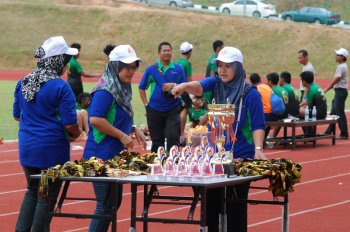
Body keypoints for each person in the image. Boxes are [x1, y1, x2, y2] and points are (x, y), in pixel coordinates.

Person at [172, 46, 266, 232]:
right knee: (211, 206)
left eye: (227, 66)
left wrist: (258, 148)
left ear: (238, 67)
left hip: (240, 157)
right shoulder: (216, 85)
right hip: (214, 158)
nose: (222, 70)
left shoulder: (251, 94)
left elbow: (258, 125)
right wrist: (183, 86)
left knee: (235, 207)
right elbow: (199, 86)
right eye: (219, 65)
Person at [13, 36, 81, 232]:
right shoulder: (61, 86)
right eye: (65, 61)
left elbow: (17, 116)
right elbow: (70, 123)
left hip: (27, 149)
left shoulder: (23, 82)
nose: (66, 65)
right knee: (47, 197)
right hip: (51, 151)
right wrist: (77, 133)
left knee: (32, 191)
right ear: (58, 61)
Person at [83, 45, 147, 232]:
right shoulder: (105, 90)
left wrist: (134, 128)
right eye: (127, 66)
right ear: (115, 66)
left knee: (113, 203)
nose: (131, 71)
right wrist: (122, 135)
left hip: (113, 155)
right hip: (100, 155)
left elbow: (117, 116)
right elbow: (95, 119)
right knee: (105, 205)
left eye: (134, 66)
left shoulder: (122, 88)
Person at [139, 42, 187, 152]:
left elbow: (185, 87)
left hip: (173, 109)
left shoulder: (178, 68)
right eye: (164, 50)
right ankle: (157, 164)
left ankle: (173, 162)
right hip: (154, 110)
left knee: (172, 136)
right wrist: (146, 104)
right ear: (159, 53)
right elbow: (142, 87)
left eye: (169, 50)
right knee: (157, 141)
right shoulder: (151, 69)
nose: (167, 52)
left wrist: (174, 85)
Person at [324, 48, 349, 139]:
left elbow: (335, 80)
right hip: (340, 92)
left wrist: (326, 90)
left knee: (339, 113)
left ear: (342, 57)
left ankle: (344, 133)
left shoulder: (341, 67)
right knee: (333, 113)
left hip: (340, 92)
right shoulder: (343, 66)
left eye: (338, 55)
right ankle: (328, 132)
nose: (336, 56)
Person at [177, 41, 194, 144]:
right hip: (183, 89)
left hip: (176, 88)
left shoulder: (177, 62)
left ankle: (177, 132)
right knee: (185, 109)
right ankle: (181, 133)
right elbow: (189, 78)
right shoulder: (186, 63)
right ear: (190, 52)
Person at [203, 40, 224, 106]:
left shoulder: (213, 58)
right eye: (222, 48)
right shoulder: (215, 61)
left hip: (209, 87)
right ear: (218, 49)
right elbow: (212, 76)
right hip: (212, 89)